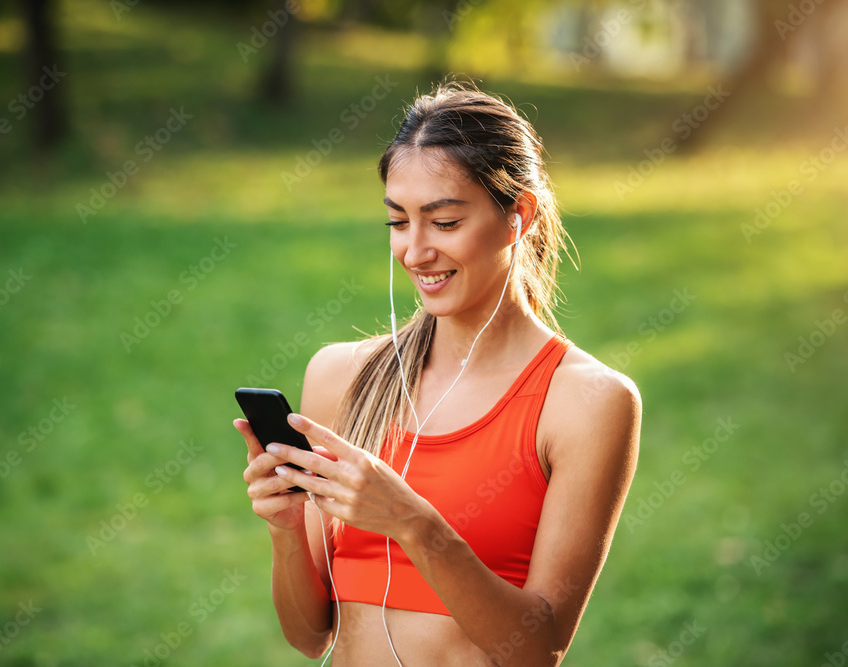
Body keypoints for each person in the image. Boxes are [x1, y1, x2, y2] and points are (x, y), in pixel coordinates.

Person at [235, 80, 642, 666]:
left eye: (444, 222)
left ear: (518, 216)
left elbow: (536, 650)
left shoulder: (585, 401)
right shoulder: (339, 377)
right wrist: (286, 526)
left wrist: (413, 524)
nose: (415, 251)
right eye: (398, 221)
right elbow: (310, 636)